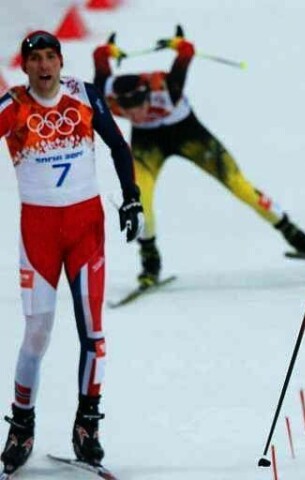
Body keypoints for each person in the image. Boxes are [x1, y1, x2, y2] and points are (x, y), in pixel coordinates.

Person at [0, 31, 143, 474]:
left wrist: (132, 196)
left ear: (61, 61)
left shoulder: (83, 94)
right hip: (39, 235)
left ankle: (88, 427)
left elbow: (118, 146)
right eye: (36, 60)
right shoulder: (13, 105)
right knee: (37, 334)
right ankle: (22, 426)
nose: (44, 67)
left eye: (50, 58)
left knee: (94, 336)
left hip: (85, 231)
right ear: (25, 67)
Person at [92, 27, 305, 288]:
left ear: (148, 96)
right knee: (141, 201)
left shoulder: (168, 87)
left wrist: (178, 43)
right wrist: (107, 51)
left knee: (239, 186)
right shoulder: (107, 90)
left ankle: (297, 237)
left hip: (190, 135)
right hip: (147, 144)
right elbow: (99, 58)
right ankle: (150, 261)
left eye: (140, 109)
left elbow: (187, 52)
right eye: (128, 112)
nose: (135, 116)